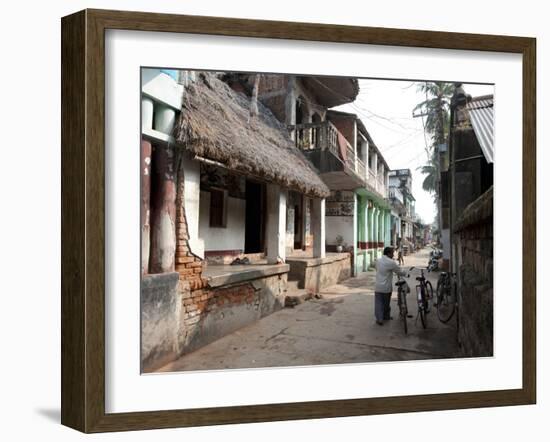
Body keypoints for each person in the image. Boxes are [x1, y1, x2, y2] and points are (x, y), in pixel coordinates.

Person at [374, 246, 407, 325]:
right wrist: (406, 273)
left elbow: (377, 269)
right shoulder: (391, 262)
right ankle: (386, 316)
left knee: (378, 304)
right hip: (386, 288)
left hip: (378, 286)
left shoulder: (378, 261)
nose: (393, 254)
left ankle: (379, 319)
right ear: (388, 253)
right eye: (392, 253)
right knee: (386, 303)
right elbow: (399, 271)